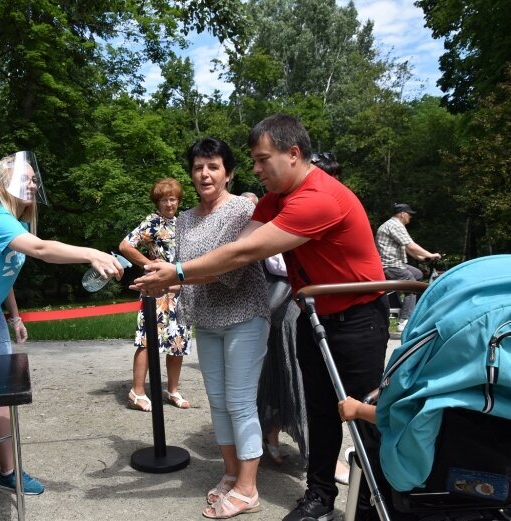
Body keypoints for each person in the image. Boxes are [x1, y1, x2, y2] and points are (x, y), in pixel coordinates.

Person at [133, 114, 389, 521]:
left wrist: (178, 272)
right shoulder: (276, 198)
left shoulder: (317, 197)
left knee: (367, 415)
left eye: (260, 159)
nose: (255, 169)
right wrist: (177, 276)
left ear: (293, 154)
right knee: (321, 412)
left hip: (358, 318)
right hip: (316, 315)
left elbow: (242, 254)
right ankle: (320, 498)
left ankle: (375, 504)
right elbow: (236, 249)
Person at [0, 151, 123, 499]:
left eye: (35, 179)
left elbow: (6, 274)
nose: (33, 183)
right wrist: (92, 253)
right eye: (26, 178)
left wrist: (14, 316)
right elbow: (43, 249)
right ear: (5, 185)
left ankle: (9, 471)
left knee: (5, 393)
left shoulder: (15, 225)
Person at [175, 138, 270, 519]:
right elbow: (185, 265)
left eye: (213, 166)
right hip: (208, 319)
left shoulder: (243, 210)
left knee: (240, 401)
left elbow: (230, 268)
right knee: (217, 401)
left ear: (228, 172)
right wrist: (172, 281)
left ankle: (249, 489)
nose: (204, 174)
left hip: (245, 314)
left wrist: (174, 278)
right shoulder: (184, 218)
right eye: (198, 167)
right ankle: (232, 474)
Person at [240, 192, 307, 467]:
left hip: (297, 303)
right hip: (278, 304)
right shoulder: (271, 224)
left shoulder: (301, 213)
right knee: (278, 371)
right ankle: (272, 435)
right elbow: (278, 263)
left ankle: (297, 441)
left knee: (296, 371)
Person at [119, 178, 193, 411]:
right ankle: (137, 392)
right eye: (164, 199)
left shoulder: (184, 222)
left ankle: (172, 390)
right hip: (157, 291)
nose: (169, 204)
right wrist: (148, 264)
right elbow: (125, 246)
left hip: (181, 290)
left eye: (173, 199)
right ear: (157, 202)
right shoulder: (153, 222)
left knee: (178, 341)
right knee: (147, 339)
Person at [375, 203, 441, 331]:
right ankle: (404, 321)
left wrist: (420, 258)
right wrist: (430, 254)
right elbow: (411, 245)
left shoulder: (392, 224)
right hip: (391, 265)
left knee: (418, 274)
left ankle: (403, 305)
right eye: (409, 214)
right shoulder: (395, 225)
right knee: (412, 287)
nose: (410, 217)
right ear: (402, 214)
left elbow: (405, 246)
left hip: (396, 264)